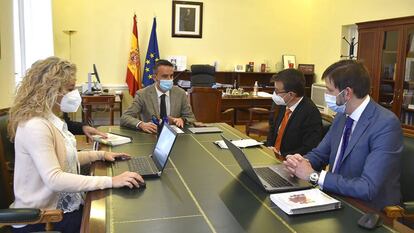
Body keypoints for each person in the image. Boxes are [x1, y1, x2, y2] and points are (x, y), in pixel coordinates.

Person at [8, 57, 144, 233]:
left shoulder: (52, 119)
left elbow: (64, 158)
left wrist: (100, 155)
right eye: (70, 89)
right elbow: (55, 179)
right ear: (50, 90)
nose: (75, 95)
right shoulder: (36, 125)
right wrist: (111, 181)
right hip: (43, 218)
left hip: (63, 207)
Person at [283, 60, 403, 211]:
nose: (326, 95)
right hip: (335, 197)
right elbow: (320, 155)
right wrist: (299, 162)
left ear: (346, 93)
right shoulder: (342, 116)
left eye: (329, 90)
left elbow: (367, 187)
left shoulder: (385, 124)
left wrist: (314, 176)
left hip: (368, 210)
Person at [121, 59, 196, 134]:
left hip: (173, 136)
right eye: (165, 76)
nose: (169, 79)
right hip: (151, 136)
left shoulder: (180, 93)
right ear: (154, 77)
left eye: (171, 76)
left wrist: (182, 119)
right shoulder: (142, 94)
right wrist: (141, 124)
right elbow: (125, 117)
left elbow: (191, 118)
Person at [266, 68, 322, 158]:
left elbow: (309, 147)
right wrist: (269, 148)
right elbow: (272, 130)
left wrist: (282, 156)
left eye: (277, 91)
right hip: (272, 155)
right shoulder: (281, 104)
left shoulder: (310, 113)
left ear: (291, 94)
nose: (274, 94)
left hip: (290, 161)